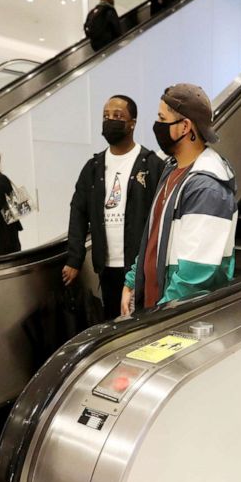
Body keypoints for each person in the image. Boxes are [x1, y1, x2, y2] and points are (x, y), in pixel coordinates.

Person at [122, 83, 237, 315]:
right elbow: (154, 236)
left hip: (181, 316)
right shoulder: (172, 169)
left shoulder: (207, 187)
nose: (158, 126)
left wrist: (161, 317)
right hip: (159, 307)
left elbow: (195, 274)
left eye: (162, 118)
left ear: (185, 126)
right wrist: (132, 281)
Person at [63, 95, 165, 320]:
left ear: (132, 122)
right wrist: (74, 258)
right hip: (106, 266)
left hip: (141, 267)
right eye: (105, 116)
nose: (110, 120)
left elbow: (162, 215)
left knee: (141, 322)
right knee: (112, 322)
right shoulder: (94, 167)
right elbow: (78, 212)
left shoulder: (151, 165)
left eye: (118, 116)